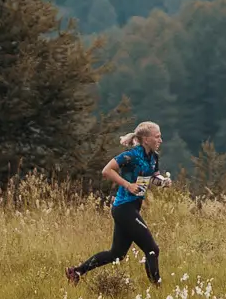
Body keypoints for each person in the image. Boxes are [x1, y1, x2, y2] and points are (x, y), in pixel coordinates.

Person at [65, 121, 169, 286]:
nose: (160, 140)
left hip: (133, 207)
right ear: (146, 139)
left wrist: (163, 182)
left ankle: (76, 271)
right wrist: (128, 185)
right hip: (124, 209)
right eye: (157, 137)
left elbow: (153, 178)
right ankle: (157, 289)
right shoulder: (132, 155)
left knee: (117, 254)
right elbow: (106, 170)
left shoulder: (154, 157)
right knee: (152, 249)